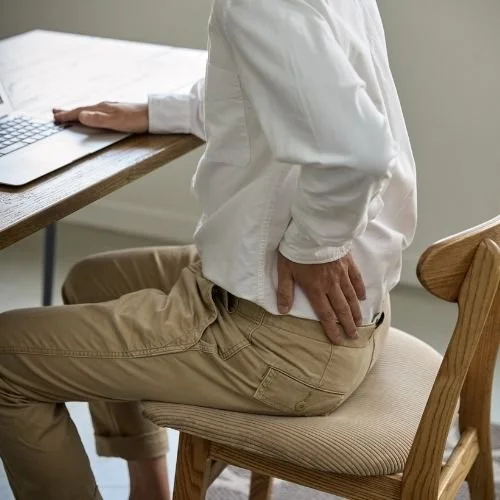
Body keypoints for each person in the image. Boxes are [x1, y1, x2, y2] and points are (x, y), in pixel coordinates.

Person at [0, 0, 416, 498]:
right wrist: (158, 112)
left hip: (285, 341)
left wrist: (314, 247)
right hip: (343, 315)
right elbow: (271, 91)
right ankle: (150, 489)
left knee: (4, 361)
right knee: (90, 282)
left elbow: (358, 152)